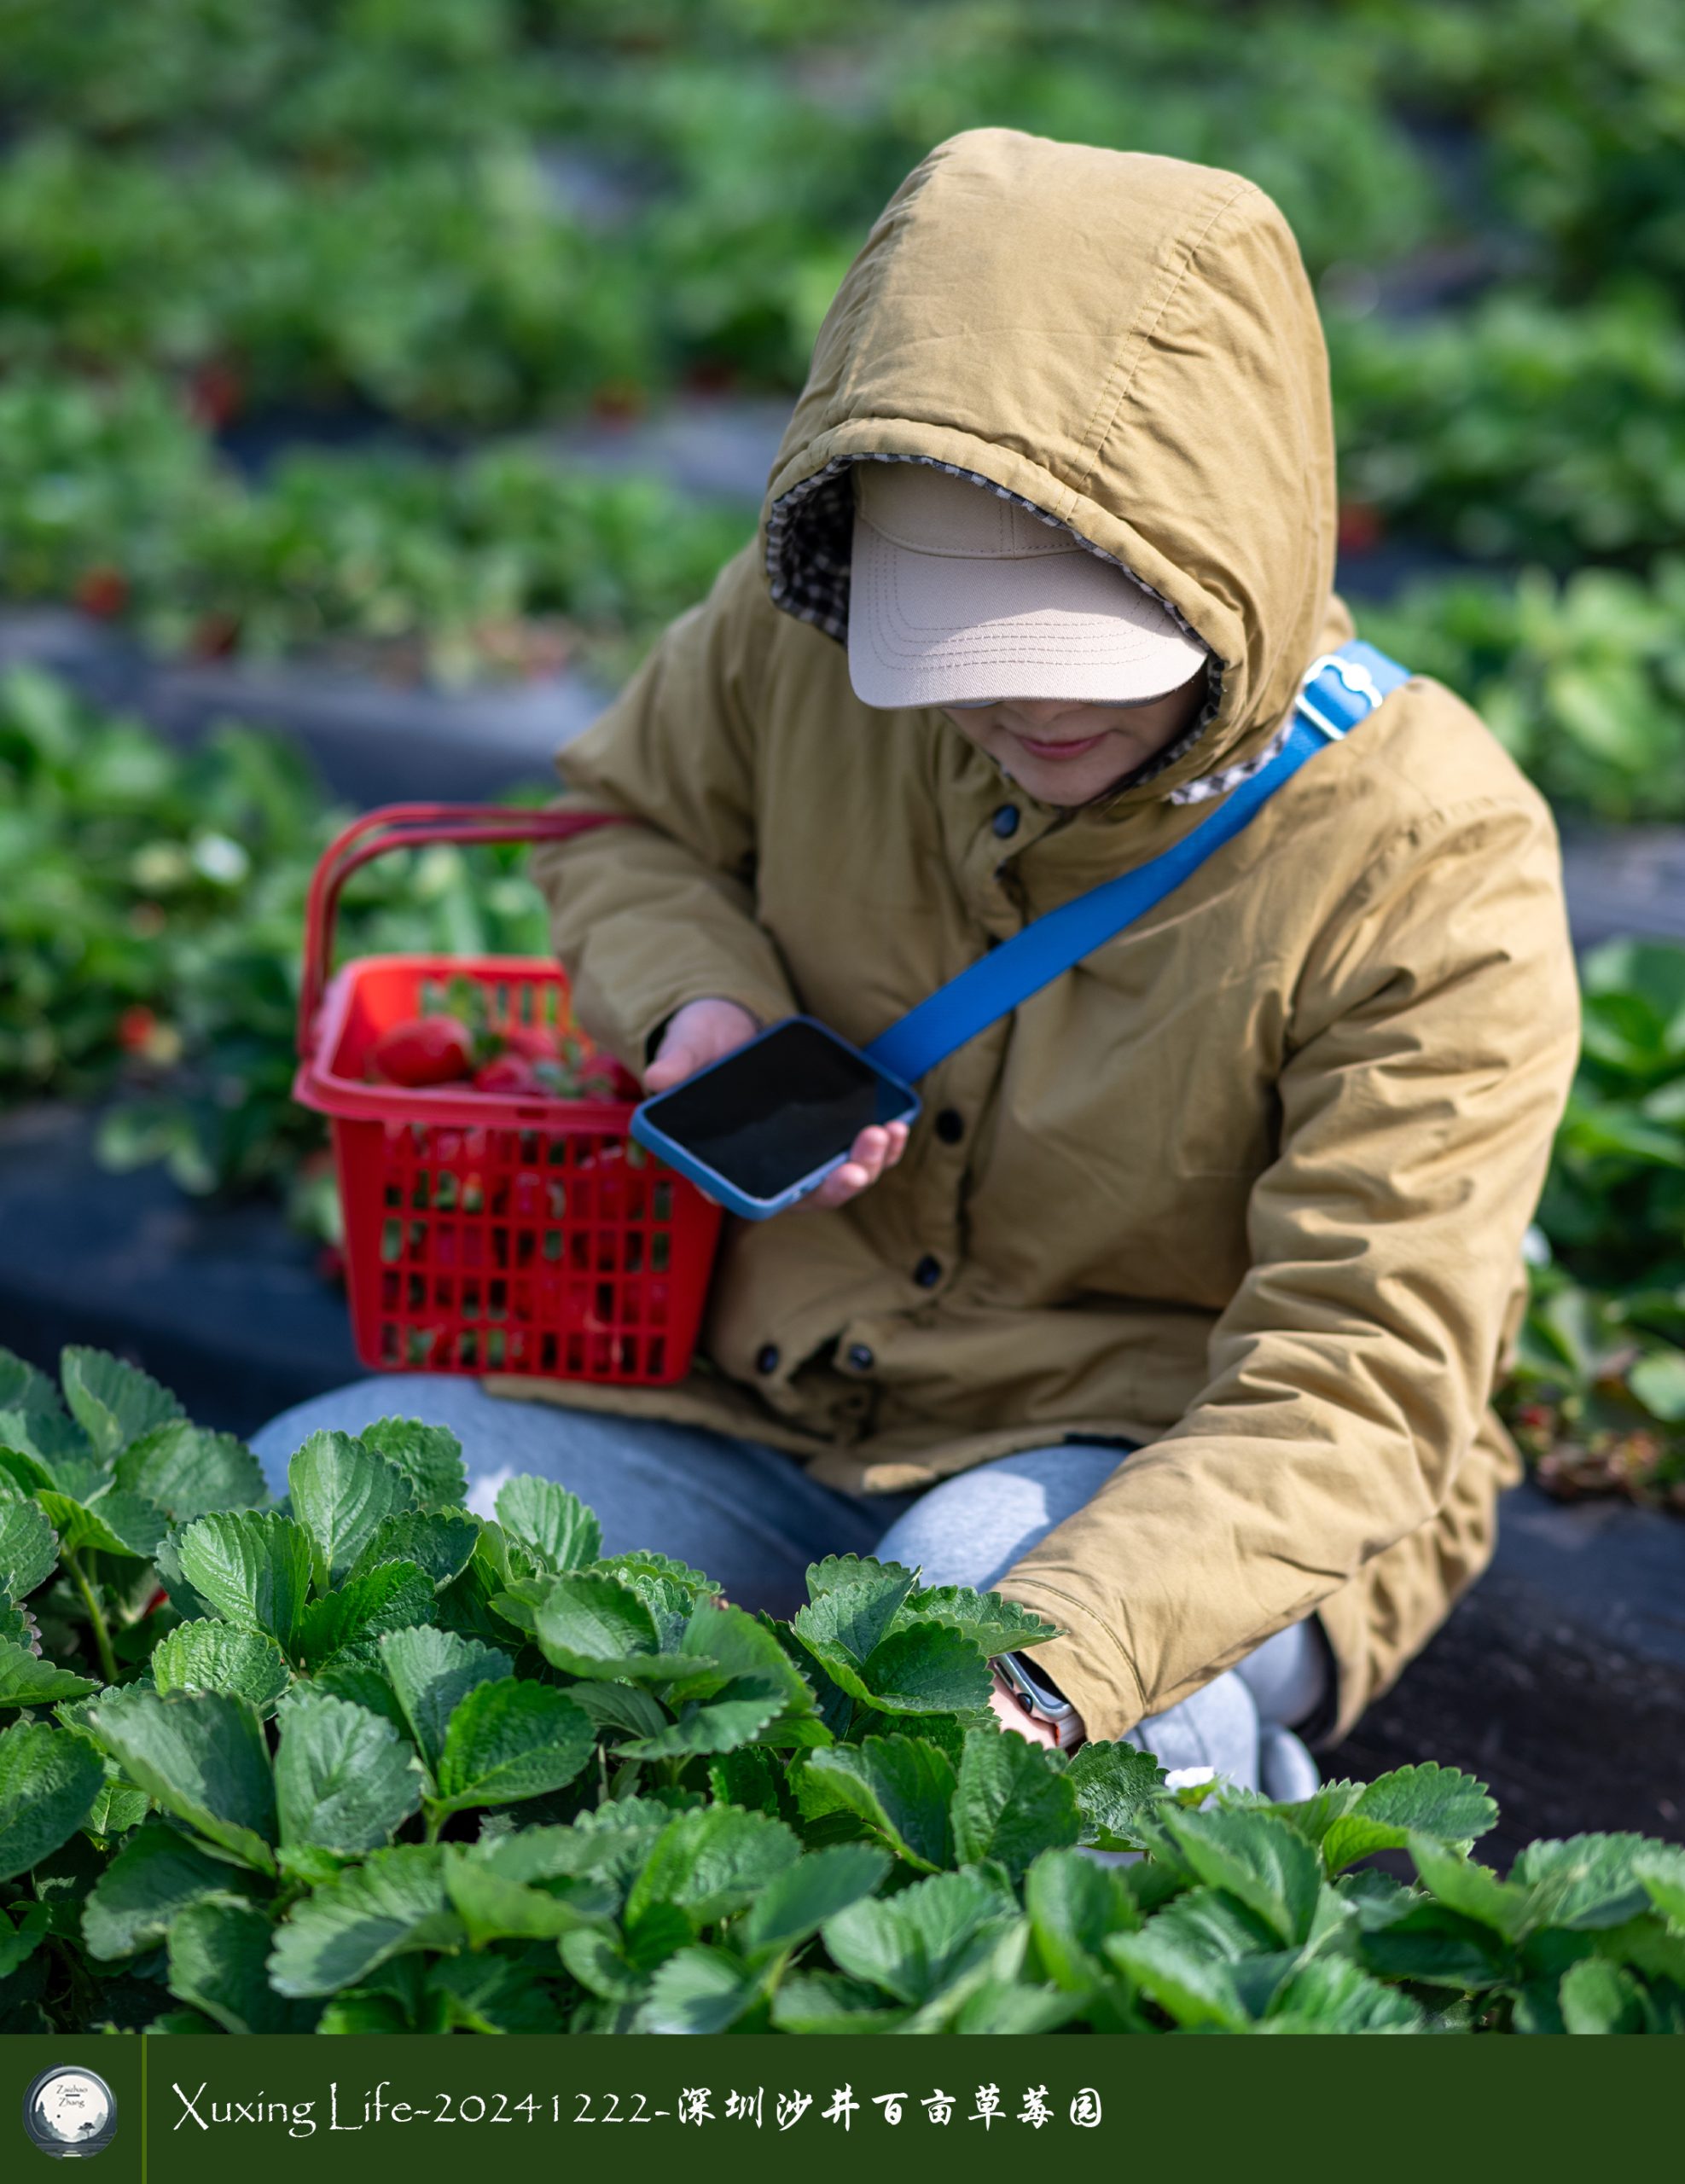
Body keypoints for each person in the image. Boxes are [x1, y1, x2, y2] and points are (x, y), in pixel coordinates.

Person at [254, 130, 1579, 1796]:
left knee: (962, 1646)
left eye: (1086, 649)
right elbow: (627, 826)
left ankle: (1202, 1843)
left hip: (1169, 1461)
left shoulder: (1429, 858)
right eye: (960, 647)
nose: (1027, 709)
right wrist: (703, 1009)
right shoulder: (790, 634)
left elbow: (1355, 1386)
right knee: (323, 1493)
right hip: (762, 1397)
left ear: (1241, 551)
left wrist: (1051, 1661)